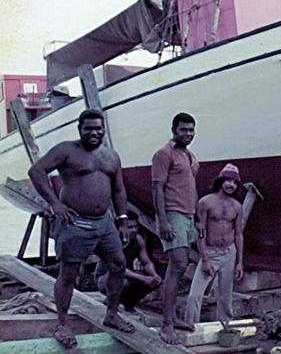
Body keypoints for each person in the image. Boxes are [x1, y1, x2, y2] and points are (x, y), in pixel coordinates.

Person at [28, 109, 134, 349]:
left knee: (118, 266)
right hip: (74, 222)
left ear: (104, 129)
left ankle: (111, 314)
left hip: (104, 223)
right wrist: (55, 204)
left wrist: (123, 220)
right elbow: (36, 171)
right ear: (80, 129)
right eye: (89, 128)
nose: (94, 132)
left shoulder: (111, 156)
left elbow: (119, 190)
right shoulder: (67, 150)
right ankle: (63, 324)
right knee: (69, 273)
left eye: (98, 128)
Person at [152, 112, 199, 344]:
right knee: (177, 264)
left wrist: (197, 218)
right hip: (173, 214)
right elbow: (157, 188)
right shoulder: (163, 154)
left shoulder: (189, 156)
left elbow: (192, 187)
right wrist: (162, 221)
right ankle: (167, 324)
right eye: (183, 130)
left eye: (191, 130)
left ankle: (172, 317)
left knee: (180, 265)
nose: (188, 134)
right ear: (173, 129)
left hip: (188, 215)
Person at [185, 163, 244, 324]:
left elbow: (239, 235)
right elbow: (200, 231)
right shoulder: (206, 202)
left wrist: (239, 262)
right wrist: (204, 259)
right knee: (194, 295)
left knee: (225, 296)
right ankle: (189, 327)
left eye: (235, 182)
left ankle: (225, 326)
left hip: (229, 253)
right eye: (228, 181)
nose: (231, 185)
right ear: (221, 181)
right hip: (210, 252)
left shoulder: (237, 206)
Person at [95, 211, 162, 312]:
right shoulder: (112, 241)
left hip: (127, 275)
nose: (134, 230)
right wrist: (143, 278)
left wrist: (154, 275)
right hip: (105, 277)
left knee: (154, 281)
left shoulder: (138, 240)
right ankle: (111, 300)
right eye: (130, 227)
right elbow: (118, 268)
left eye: (136, 227)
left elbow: (146, 262)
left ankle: (129, 303)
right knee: (122, 280)